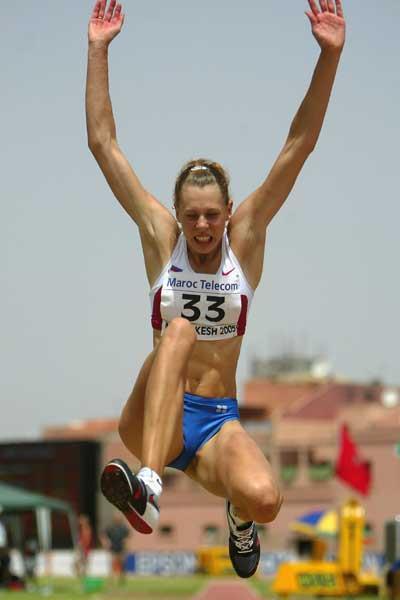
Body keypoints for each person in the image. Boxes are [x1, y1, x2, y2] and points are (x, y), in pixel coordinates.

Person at [86, 0, 346, 579]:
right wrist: (98, 50)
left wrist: (328, 58)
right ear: (177, 215)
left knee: (267, 498)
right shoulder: (162, 239)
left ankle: (237, 516)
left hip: (216, 422)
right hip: (155, 416)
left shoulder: (245, 241)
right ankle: (149, 480)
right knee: (175, 330)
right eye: (192, 216)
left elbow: (297, 145)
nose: (202, 228)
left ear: (228, 213)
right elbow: (105, 145)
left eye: (211, 216)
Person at [100, 514, 129, 583]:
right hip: (113, 548)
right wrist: (105, 542)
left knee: (122, 564)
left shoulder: (123, 528)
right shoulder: (110, 528)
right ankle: (111, 579)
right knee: (112, 564)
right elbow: (103, 535)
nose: (117, 520)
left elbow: (127, 537)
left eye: (119, 518)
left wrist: (126, 545)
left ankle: (122, 579)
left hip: (121, 548)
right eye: (116, 518)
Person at [75, 514, 94, 579]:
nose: (79, 521)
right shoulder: (81, 528)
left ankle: (82, 575)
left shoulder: (86, 528)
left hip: (84, 549)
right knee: (80, 563)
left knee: (82, 563)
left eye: (81, 520)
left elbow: (87, 539)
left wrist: (82, 546)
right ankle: (81, 575)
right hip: (82, 548)